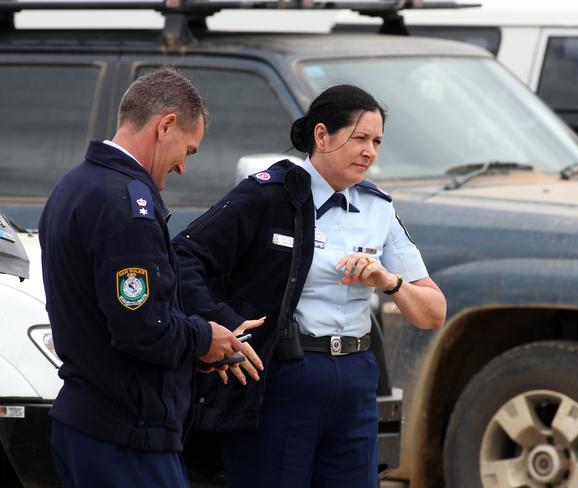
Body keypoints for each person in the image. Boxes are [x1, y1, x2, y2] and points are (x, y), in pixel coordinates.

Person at [172, 84, 446, 487]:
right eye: (359, 139)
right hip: (286, 374)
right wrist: (224, 324)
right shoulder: (268, 194)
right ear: (322, 136)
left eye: (377, 141)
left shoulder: (378, 209)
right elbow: (184, 256)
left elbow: (433, 312)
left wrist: (389, 282)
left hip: (355, 377)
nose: (370, 151)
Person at [38, 67, 263, 488]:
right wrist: (205, 338)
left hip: (88, 424)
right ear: (166, 126)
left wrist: (197, 352)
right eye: (189, 151)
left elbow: (115, 318)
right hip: (126, 438)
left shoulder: (75, 185)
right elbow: (142, 328)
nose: (182, 168)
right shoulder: (128, 205)